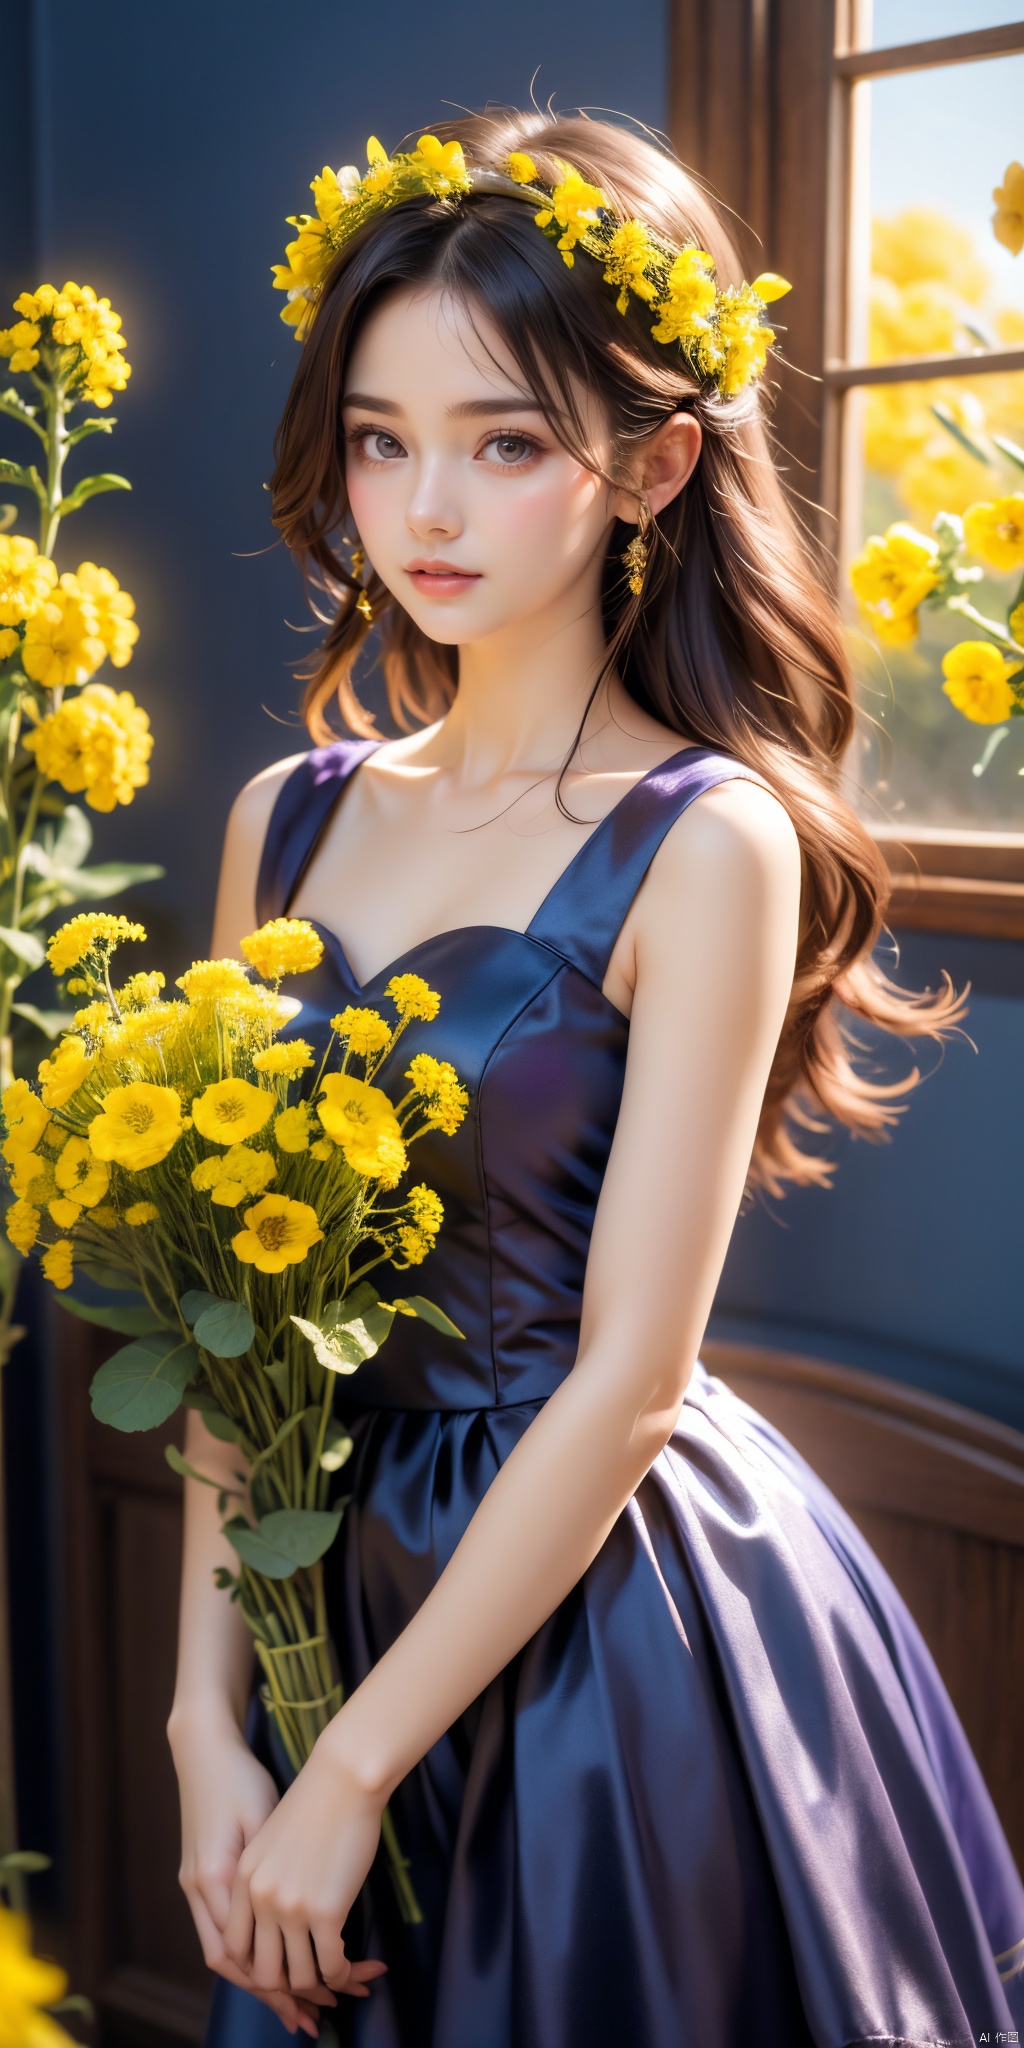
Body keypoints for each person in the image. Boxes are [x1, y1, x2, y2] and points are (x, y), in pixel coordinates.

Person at [168, 110, 1024, 2047]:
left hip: (587, 1632)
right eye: (381, 440)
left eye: (504, 440)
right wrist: (203, 1721)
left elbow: (633, 1377)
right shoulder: (281, 823)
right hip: (321, 1578)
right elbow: (229, 1316)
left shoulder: (704, 836)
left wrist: (353, 1768)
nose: (426, 511)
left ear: (648, 465)